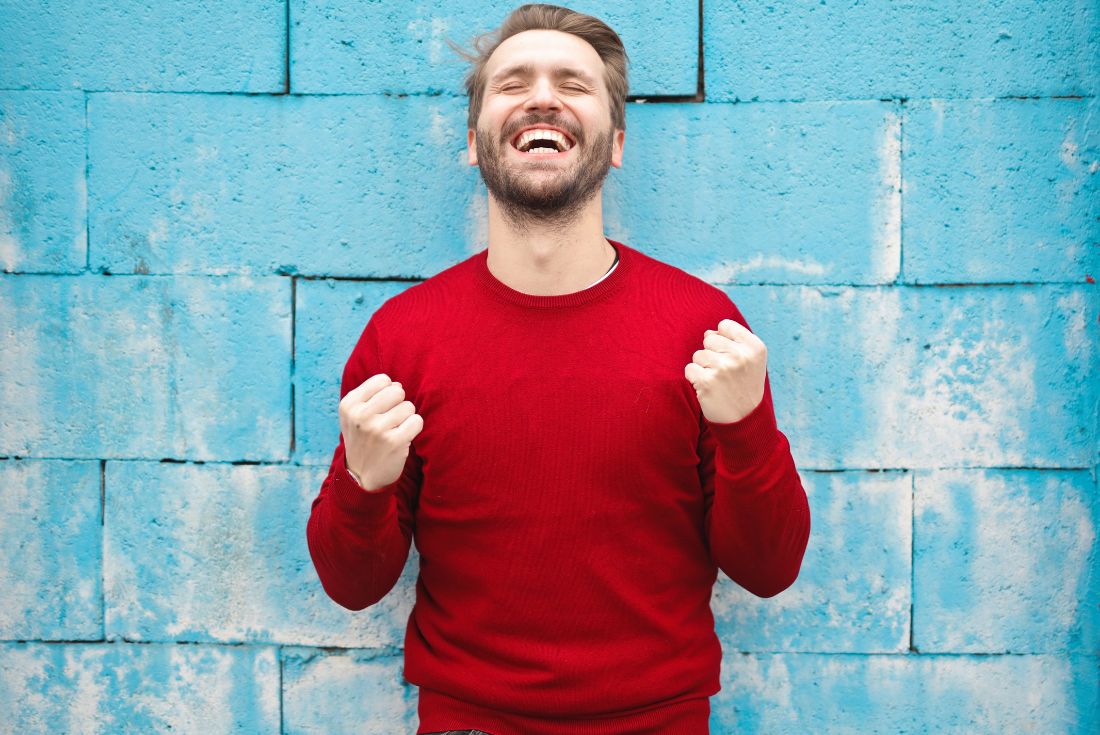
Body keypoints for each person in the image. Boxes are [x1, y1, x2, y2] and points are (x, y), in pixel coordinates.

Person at [306, 4, 811, 734]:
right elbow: (352, 586)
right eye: (513, 83)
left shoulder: (702, 327)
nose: (542, 96)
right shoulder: (403, 338)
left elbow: (770, 568)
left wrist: (747, 427)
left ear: (616, 144)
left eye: (572, 83)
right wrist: (364, 484)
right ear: (476, 144)